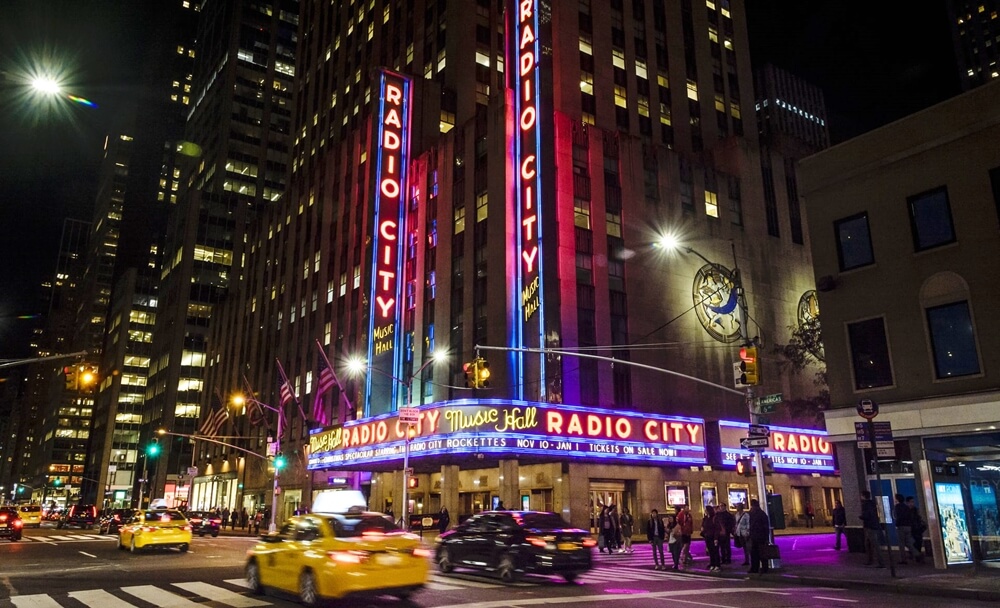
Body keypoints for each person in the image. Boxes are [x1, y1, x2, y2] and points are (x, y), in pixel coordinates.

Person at [860, 490, 885, 567]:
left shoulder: (865, 505)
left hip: (869, 526)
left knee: (874, 544)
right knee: (869, 544)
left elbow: (867, 515)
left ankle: (880, 562)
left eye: (861, 495)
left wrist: (862, 517)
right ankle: (870, 560)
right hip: (874, 525)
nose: (861, 497)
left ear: (864, 496)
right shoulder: (872, 503)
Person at [747, 498, 771, 574]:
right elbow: (766, 527)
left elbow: (764, 527)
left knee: (756, 553)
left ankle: (756, 568)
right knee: (760, 553)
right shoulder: (761, 514)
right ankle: (763, 568)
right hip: (759, 536)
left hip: (756, 536)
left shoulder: (753, 514)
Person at [894, 493, 917, 564]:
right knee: (908, 542)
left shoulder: (897, 507)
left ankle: (903, 559)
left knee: (901, 543)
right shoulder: (906, 507)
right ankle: (917, 554)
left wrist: (897, 524)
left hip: (901, 526)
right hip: (908, 526)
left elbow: (898, 516)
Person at [701, 505, 722, 572]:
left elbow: (717, 528)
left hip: (713, 537)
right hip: (707, 537)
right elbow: (704, 525)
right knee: (710, 551)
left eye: (706, 510)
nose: (705, 511)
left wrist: (716, 538)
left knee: (715, 551)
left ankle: (717, 565)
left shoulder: (714, 518)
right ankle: (712, 563)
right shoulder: (705, 518)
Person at [907, 496, 926, 563]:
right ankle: (917, 555)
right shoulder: (907, 511)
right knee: (913, 542)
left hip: (917, 528)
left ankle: (917, 555)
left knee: (918, 542)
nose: (912, 503)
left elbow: (919, 518)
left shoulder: (915, 510)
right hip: (912, 528)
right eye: (911, 502)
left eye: (913, 502)